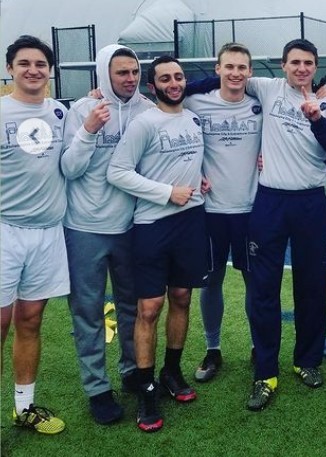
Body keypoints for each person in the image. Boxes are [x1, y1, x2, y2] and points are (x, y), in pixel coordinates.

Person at [212, 39, 326, 410]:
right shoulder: (267, 88)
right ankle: (265, 372)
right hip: (269, 202)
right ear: (283, 65)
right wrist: (164, 90)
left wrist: (316, 119)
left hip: (310, 203)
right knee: (263, 289)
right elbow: (226, 78)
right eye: (295, 62)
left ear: (316, 66)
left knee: (312, 286)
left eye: (308, 62)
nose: (301, 68)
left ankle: (307, 360)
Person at [107, 55, 207, 432]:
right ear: (153, 86)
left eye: (178, 77)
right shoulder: (144, 123)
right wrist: (166, 192)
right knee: (149, 308)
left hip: (191, 221)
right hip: (152, 225)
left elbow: (190, 161)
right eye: (165, 78)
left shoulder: (193, 119)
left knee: (182, 297)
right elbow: (117, 172)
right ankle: (146, 388)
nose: (174, 83)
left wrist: (203, 178)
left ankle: (171, 372)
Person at [61, 44, 154, 425]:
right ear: (104, 74)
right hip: (85, 227)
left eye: (134, 72)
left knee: (133, 307)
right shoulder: (82, 110)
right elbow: (69, 168)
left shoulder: (147, 110)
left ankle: (132, 370)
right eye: (121, 73)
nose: (130, 79)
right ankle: (97, 388)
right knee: (88, 311)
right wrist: (88, 131)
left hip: (132, 227)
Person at [0, 34, 69, 435]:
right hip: (5, 232)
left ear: (50, 71)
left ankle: (24, 408)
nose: (33, 70)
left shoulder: (60, 112)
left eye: (41, 64)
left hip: (47, 233)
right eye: (24, 63)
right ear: (10, 68)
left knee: (30, 320)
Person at [183, 42, 262, 383]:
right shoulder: (195, 102)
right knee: (211, 280)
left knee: (253, 281)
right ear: (217, 70)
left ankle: (259, 347)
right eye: (229, 66)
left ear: (250, 72)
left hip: (251, 209)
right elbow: (162, 102)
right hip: (210, 210)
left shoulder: (260, 104)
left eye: (241, 67)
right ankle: (213, 349)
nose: (235, 73)